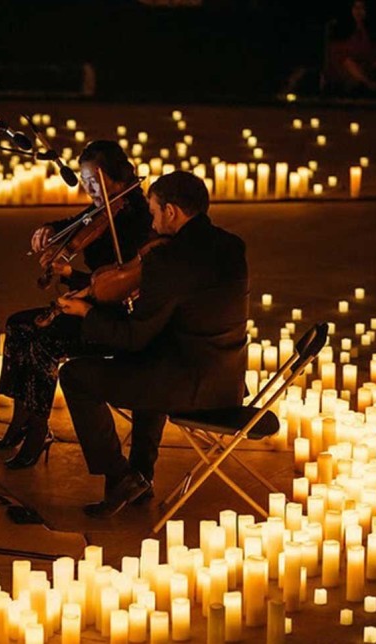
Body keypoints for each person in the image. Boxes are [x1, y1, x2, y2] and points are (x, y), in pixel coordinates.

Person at [52, 171, 248, 518]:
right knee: (149, 364)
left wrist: (86, 312)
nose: (153, 222)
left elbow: (133, 335)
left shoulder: (168, 259)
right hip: (226, 382)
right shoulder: (232, 245)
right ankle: (140, 477)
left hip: (191, 387)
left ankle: (121, 474)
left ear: (171, 211)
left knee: (76, 376)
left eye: (155, 212)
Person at [0, 140, 155, 469]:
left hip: (113, 317)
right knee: (18, 326)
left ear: (115, 177)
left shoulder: (135, 218)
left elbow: (112, 287)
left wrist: (69, 275)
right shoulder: (104, 209)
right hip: (91, 304)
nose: (88, 189)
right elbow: (76, 223)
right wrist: (49, 229)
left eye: (94, 181)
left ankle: (38, 432)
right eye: (85, 181)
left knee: (44, 343)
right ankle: (20, 422)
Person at [323, 0, 376, 95]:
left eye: (362, 8)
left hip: (367, 63)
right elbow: (339, 52)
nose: (359, 12)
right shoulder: (343, 29)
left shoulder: (372, 30)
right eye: (356, 8)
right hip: (345, 66)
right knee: (347, 61)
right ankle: (368, 84)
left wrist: (371, 62)